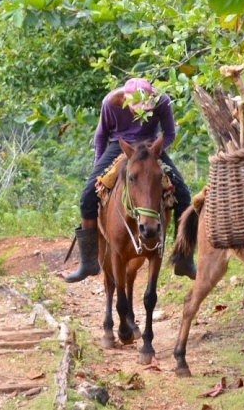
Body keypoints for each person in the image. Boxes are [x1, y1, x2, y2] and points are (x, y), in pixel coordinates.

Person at [63, 78, 196, 283]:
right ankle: (88, 261)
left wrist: (155, 151)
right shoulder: (110, 102)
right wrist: (98, 166)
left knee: (184, 195)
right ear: (126, 99)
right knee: (88, 195)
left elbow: (169, 133)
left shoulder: (163, 101)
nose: (140, 112)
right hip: (119, 145)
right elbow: (101, 136)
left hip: (150, 146)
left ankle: (184, 258)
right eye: (136, 108)